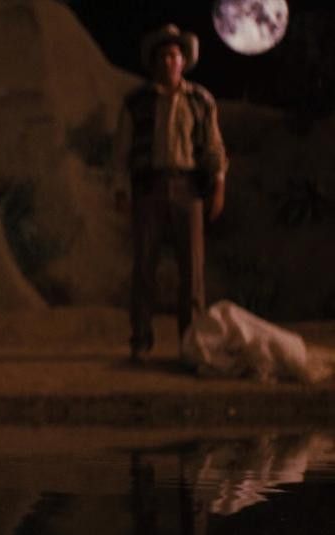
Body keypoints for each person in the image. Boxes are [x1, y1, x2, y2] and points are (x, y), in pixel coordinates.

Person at [114, 23, 229, 364]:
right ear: (155, 61)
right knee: (144, 267)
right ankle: (140, 340)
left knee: (192, 270)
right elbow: (121, 149)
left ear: (184, 61)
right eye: (163, 55)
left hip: (187, 188)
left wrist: (218, 185)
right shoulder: (136, 102)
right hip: (148, 187)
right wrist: (120, 189)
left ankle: (191, 343)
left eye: (175, 55)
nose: (169, 61)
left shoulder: (200, 100)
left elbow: (213, 147)